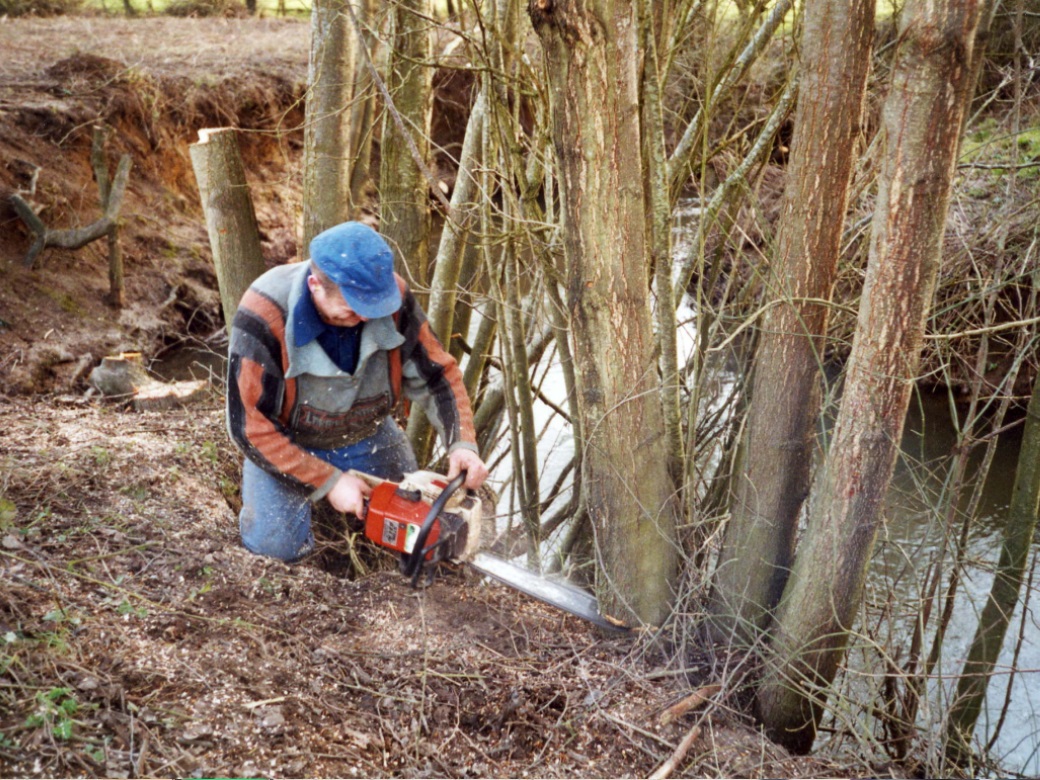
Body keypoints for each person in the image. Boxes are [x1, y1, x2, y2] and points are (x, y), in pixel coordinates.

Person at [226, 221, 489, 562]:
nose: (366, 317)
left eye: (374, 309)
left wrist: (462, 443)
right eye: (352, 309)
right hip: (287, 442)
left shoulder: (389, 296)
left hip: (368, 432)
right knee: (275, 550)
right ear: (314, 285)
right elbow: (249, 427)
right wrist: (329, 481)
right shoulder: (264, 313)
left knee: (420, 524)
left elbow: (437, 374)